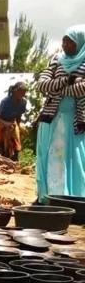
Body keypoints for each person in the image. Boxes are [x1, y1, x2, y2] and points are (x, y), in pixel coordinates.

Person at [36, 26, 85, 202]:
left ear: (80, 42)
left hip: (75, 119)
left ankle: (75, 197)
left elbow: (82, 89)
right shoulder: (56, 59)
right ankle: (49, 197)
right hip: (52, 118)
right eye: (63, 40)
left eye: (69, 41)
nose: (64, 44)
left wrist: (58, 88)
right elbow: (42, 85)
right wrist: (67, 80)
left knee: (74, 159)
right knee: (50, 157)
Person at [0, 82, 27, 161]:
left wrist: (19, 127)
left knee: (16, 143)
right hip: (1, 123)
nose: (23, 94)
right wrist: (6, 124)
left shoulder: (23, 103)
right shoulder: (5, 101)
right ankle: (0, 160)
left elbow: (19, 116)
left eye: (24, 92)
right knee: (0, 144)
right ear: (15, 91)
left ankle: (14, 161)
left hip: (13, 123)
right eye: (21, 92)